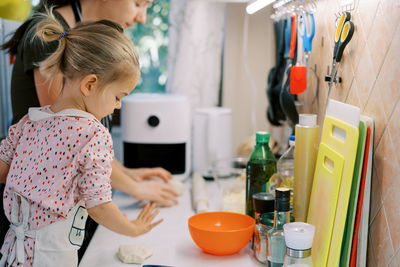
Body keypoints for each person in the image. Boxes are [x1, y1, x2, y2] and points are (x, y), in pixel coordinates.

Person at [0, 10, 163, 266]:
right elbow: (98, 205)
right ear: (89, 85)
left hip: (13, 252)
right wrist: (132, 228)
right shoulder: (94, 134)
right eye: (118, 97)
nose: (117, 106)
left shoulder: (29, 121)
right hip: (51, 256)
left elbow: (2, 171)